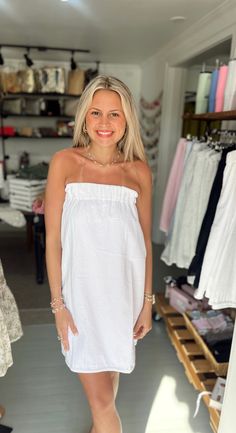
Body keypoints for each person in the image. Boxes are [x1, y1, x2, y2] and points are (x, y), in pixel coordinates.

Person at [44, 75, 154, 433]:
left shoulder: (138, 171)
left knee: (106, 394)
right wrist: (58, 306)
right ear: (84, 118)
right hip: (81, 302)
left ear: (127, 121)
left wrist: (147, 302)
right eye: (96, 113)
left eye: (114, 114)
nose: (104, 124)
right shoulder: (64, 162)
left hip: (122, 298)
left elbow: (146, 242)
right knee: (105, 407)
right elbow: (53, 240)